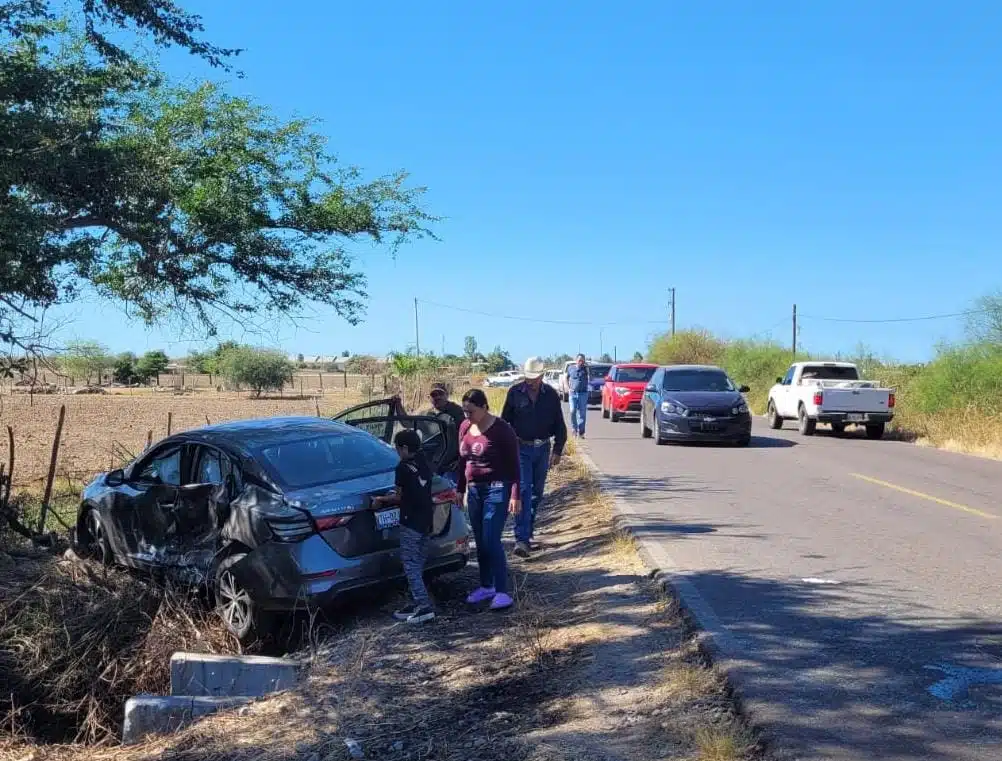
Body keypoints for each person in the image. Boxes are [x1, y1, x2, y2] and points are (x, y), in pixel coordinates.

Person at [457, 388, 521, 611]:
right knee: (480, 540)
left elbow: (514, 466)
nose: (467, 416)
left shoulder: (502, 430)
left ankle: (503, 591)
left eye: (471, 411)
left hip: (497, 489)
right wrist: (460, 489)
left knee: (492, 538)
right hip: (474, 491)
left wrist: (515, 495)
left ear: (484, 407)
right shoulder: (465, 427)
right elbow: (462, 460)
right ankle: (486, 585)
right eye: (465, 411)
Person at [502, 357, 567, 558]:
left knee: (537, 493)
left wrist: (558, 449)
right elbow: (505, 422)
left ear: (542, 376)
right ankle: (521, 539)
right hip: (521, 448)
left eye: (534, 377)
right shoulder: (514, 393)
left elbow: (559, 424)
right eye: (527, 377)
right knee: (522, 490)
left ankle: (527, 533)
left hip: (543, 449)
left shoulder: (551, 396)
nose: (530, 381)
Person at [371, 429, 436, 624]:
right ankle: (418, 601)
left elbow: (399, 497)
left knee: (410, 565)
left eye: (398, 448)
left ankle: (424, 607)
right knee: (418, 563)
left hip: (411, 522)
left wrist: (381, 499)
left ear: (405, 448)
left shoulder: (402, 468)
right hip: (427, 521)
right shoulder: (424, 461)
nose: (397, 452)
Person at [422, 383, 465, 485]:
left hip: (451, 463)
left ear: (447, 395)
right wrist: (398, 404)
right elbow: (407, 423)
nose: (437, 397)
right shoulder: (426, 414)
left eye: (440, 394)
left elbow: (466, 435)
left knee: (451, 491)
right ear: (429, 398)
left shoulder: (456, 412)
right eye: (434, 395)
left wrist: (460, 459)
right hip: (432, 463)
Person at [566, 354, 590, 438]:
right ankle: (574, 429)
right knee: (572, 411)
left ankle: (581, 432)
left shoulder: (586, 369)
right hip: (573, 393)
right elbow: (567, 378)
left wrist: (586, 367)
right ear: (576, 360)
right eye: (579, 360)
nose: (581, 362)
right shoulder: (570, 368)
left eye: (582, 360)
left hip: (583, 393)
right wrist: (569, 388)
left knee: (582, 414)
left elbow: (590, 377)